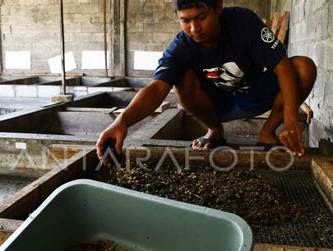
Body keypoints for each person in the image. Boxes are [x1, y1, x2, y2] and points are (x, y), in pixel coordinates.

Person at [96, 0, 316, 160]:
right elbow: (156, 88)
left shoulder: (243, 22)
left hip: (254, 94)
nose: (194, 28)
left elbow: (283, 67)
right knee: (181, 76)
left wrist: (290, 121)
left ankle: (267, 132)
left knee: (303, 67)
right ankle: (214, 131)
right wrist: (121, 121)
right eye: (185, 20)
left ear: (218, 7)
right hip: (215, 108)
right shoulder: (181, 47)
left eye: (201, 17)